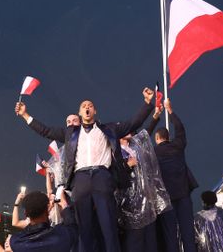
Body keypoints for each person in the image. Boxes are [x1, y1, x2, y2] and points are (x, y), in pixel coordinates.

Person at [15, 87, 155, 252]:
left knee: (109, 227)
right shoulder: (70, 133)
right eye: (84, 106)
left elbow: (133, 123)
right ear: (80, 113)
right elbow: (46, 131)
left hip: (102, 178)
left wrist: (147, 103)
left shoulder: (109, 129)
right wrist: (25, 115)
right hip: (81, 181)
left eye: (90, 105)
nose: (87, 107)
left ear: (94, 111)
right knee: (84, 231)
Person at [145, 98, 198, 252]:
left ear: (156, 139)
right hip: (183, 195)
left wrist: (155, 116)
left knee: (170, 237)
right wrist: (170, 110)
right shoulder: (178, 146)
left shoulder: (152, 152)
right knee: (188, 235)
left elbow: (142, 138)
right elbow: (180, 129)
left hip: (166, 199)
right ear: (168, 137)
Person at [116, 124, 171, 252]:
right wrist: (127, 165)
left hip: (147, 201)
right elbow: (116, 175)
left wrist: (155, 116)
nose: (129, 130)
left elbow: (145, 134)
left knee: (150, 240)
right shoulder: (116, 152)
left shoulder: (136, 148)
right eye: (125, 129)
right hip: (132, 205)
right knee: (136, 241)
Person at [9, 191, 78, 251]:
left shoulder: (17, 242)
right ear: (47, 210)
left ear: (26, 214)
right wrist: (64, 204)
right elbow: (72, 226)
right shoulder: (61, 235)